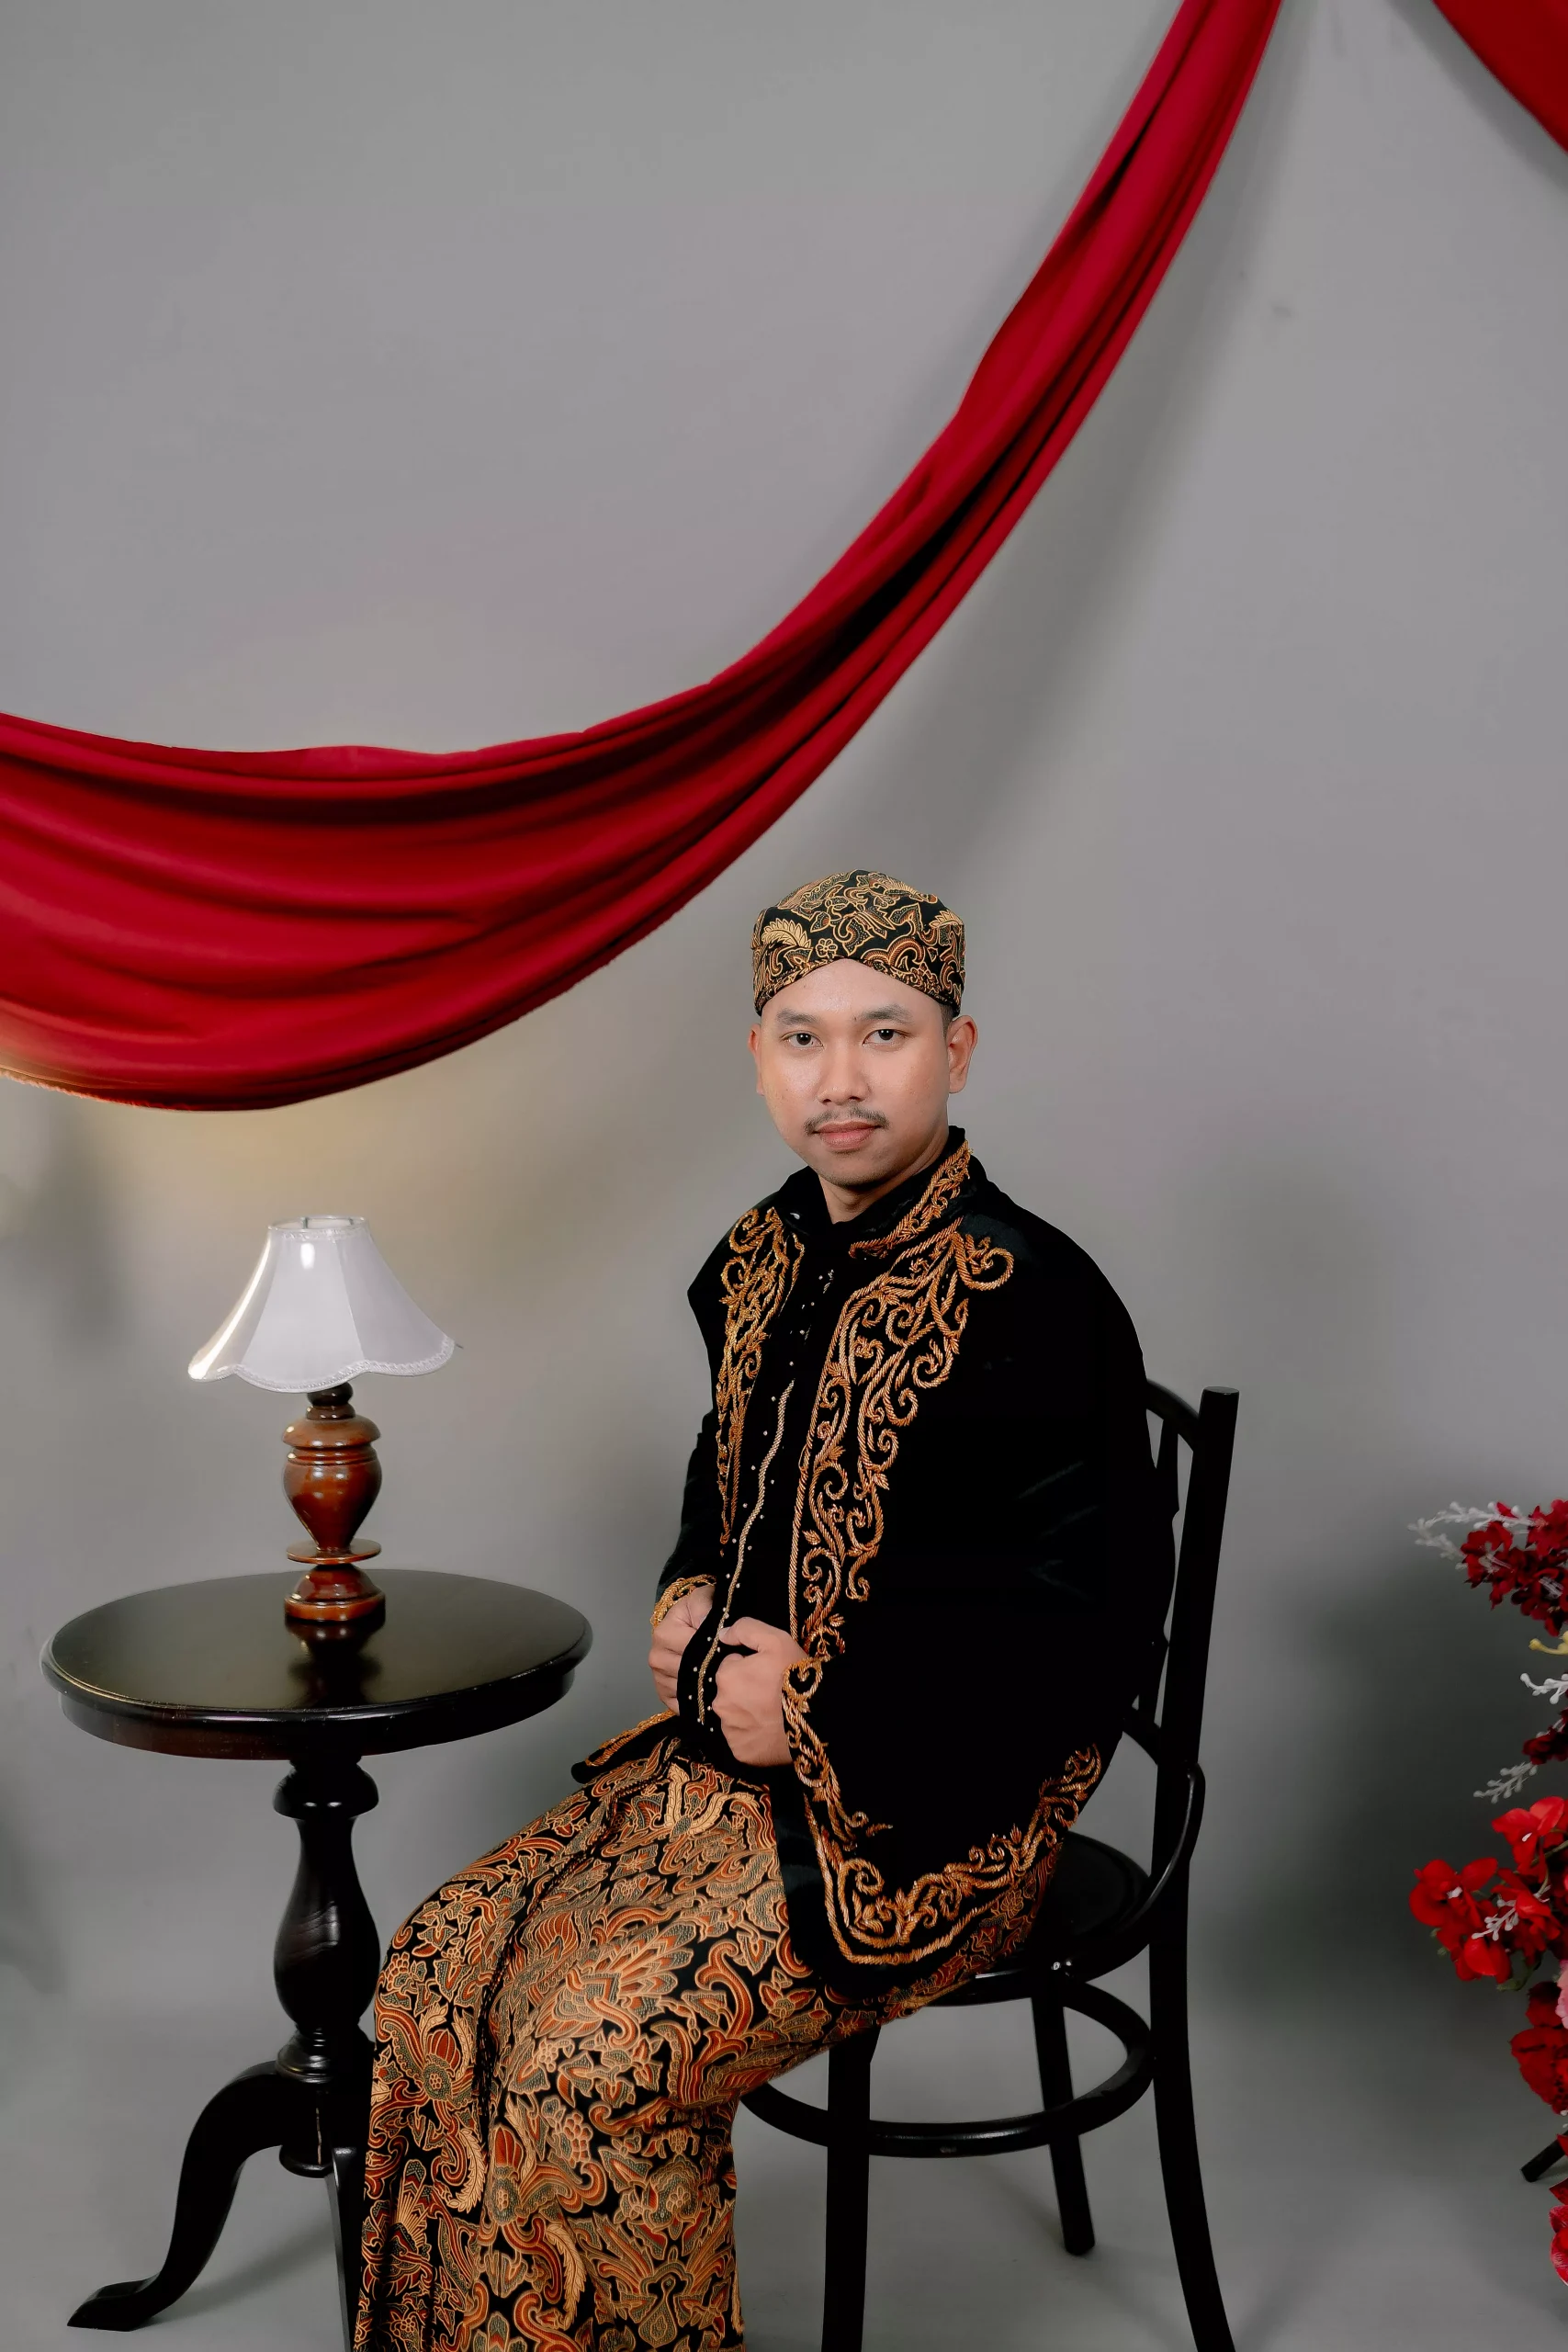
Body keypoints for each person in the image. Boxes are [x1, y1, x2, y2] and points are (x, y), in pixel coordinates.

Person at [355, 869, 1171, 2352]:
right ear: (757, 1060)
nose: (840, 1079)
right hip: (718, 1773)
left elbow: (1088, 1631)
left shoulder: (1034, 1295)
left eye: (884, 1034)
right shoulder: (758, 1258)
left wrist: (817, 1703)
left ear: (956, 1051)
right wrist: (691, 1595)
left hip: (940, 1813)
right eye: (802, 1038)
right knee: (436, 1965)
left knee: (588, 2058)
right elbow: (722, 1480)